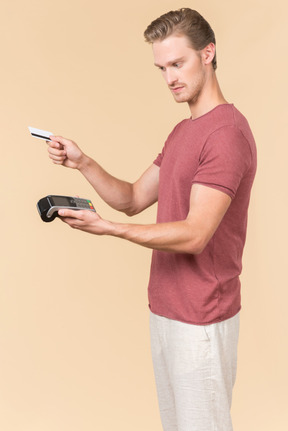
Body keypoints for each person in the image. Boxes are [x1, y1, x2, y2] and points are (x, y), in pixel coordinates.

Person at [46, 8, 257, 431]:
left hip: (201, 318)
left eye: (178, 64)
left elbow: (196, 234)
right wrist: (83, 161)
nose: (169, 78)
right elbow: (132, 198)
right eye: (161, 68)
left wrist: (109, 229)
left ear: (208, 53)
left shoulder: (227, 134)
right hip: (165, 310)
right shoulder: (184, 132)